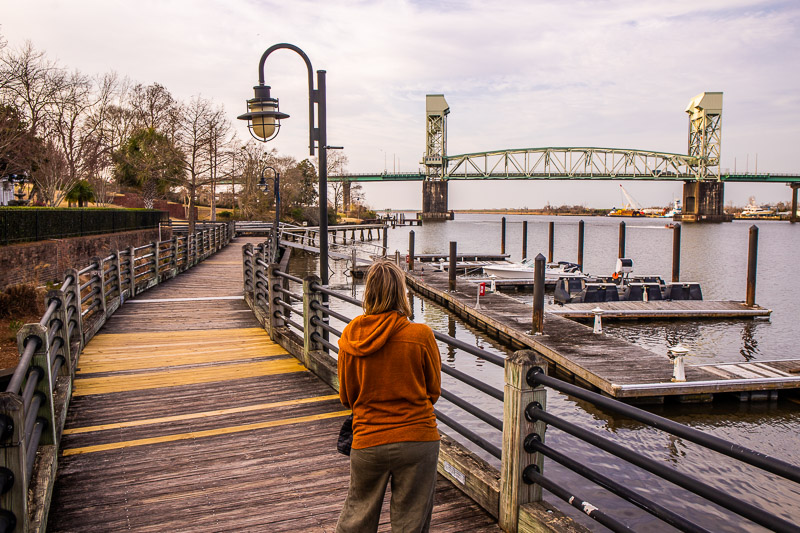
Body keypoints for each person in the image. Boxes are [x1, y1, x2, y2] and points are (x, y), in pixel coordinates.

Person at [336, 260, 442, 532]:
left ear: (368, 292)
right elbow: (433, 391)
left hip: (369, 437)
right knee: (411, 521)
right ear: (401, 292)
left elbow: (347, 397)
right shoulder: (421, 335)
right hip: (417, 438)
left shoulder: (351, 336)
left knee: (357, 517)